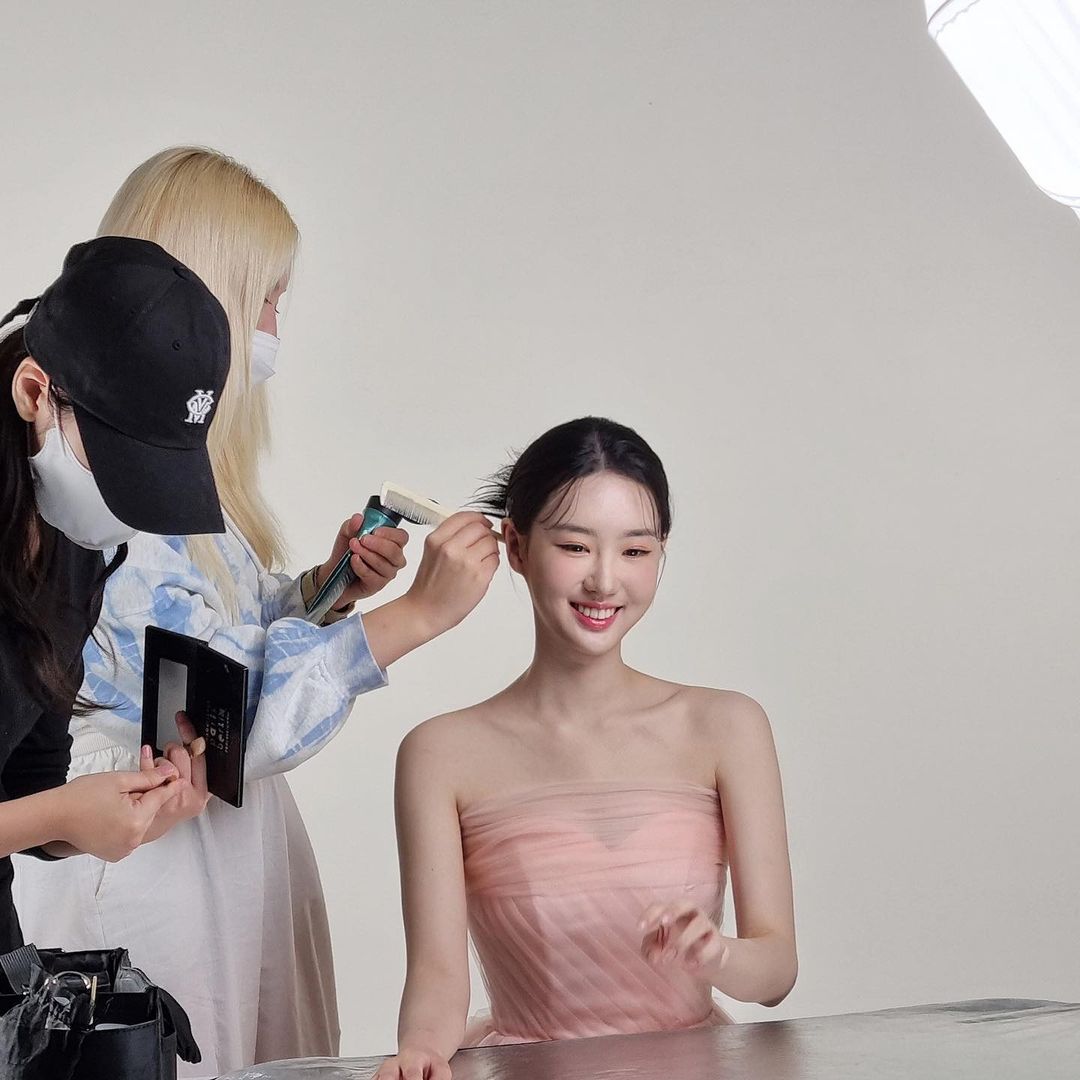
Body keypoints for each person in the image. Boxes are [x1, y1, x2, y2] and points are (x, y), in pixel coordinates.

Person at [14, 147, 500, 1079]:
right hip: (144, 846)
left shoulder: (165, 479)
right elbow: (208, 715)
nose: (275, 327)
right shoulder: (96, 491)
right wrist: (413, 619)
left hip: (215, 840)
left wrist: (324, 590)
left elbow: (211, 631)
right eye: (268, 297)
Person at [376, 417, 797, 1079]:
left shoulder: (727, 726)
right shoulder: (439, 754)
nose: (604, 581)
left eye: (635, 551)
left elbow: (776, 971)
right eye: (575, 546)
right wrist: (421, 1054)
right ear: (516, 546)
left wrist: (716, 954)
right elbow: (436, 976)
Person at [0, 234, 231, 953]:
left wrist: (126, 820)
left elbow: (26, 782)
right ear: (34, 392)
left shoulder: (71, 543)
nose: (128, 510)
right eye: (118, 467)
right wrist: (57, 815)